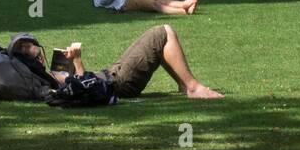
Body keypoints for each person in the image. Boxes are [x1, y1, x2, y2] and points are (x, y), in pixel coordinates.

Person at [18, 27, 224, 99]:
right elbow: (85, 90)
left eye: (29, 45)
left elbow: (72, 83)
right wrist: (78, 61)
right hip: (118, 83)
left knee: (158, 39)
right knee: (162, 33)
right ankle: (192, 87)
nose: (32, 49)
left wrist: (69, 64)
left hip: (112, 74)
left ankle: (184, 84)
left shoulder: (43, 76)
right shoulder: (44, 81)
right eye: (26, 49)